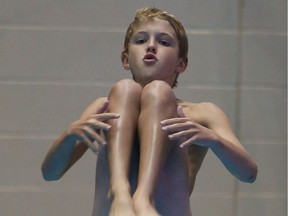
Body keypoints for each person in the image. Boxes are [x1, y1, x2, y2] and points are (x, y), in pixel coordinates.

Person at [41, 7, 258, 216]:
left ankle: (144, 197)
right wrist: (69, 136)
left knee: (158, 93)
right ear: (126, 59)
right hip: (116, 211)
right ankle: (120, 192)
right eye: (141, 40)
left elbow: (248, 174)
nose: (151, 46)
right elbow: (50, 173)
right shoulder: (103, 107)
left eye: (164, 42)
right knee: (125, 90)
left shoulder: (201, 113)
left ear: (181, 63)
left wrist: (214, 140)